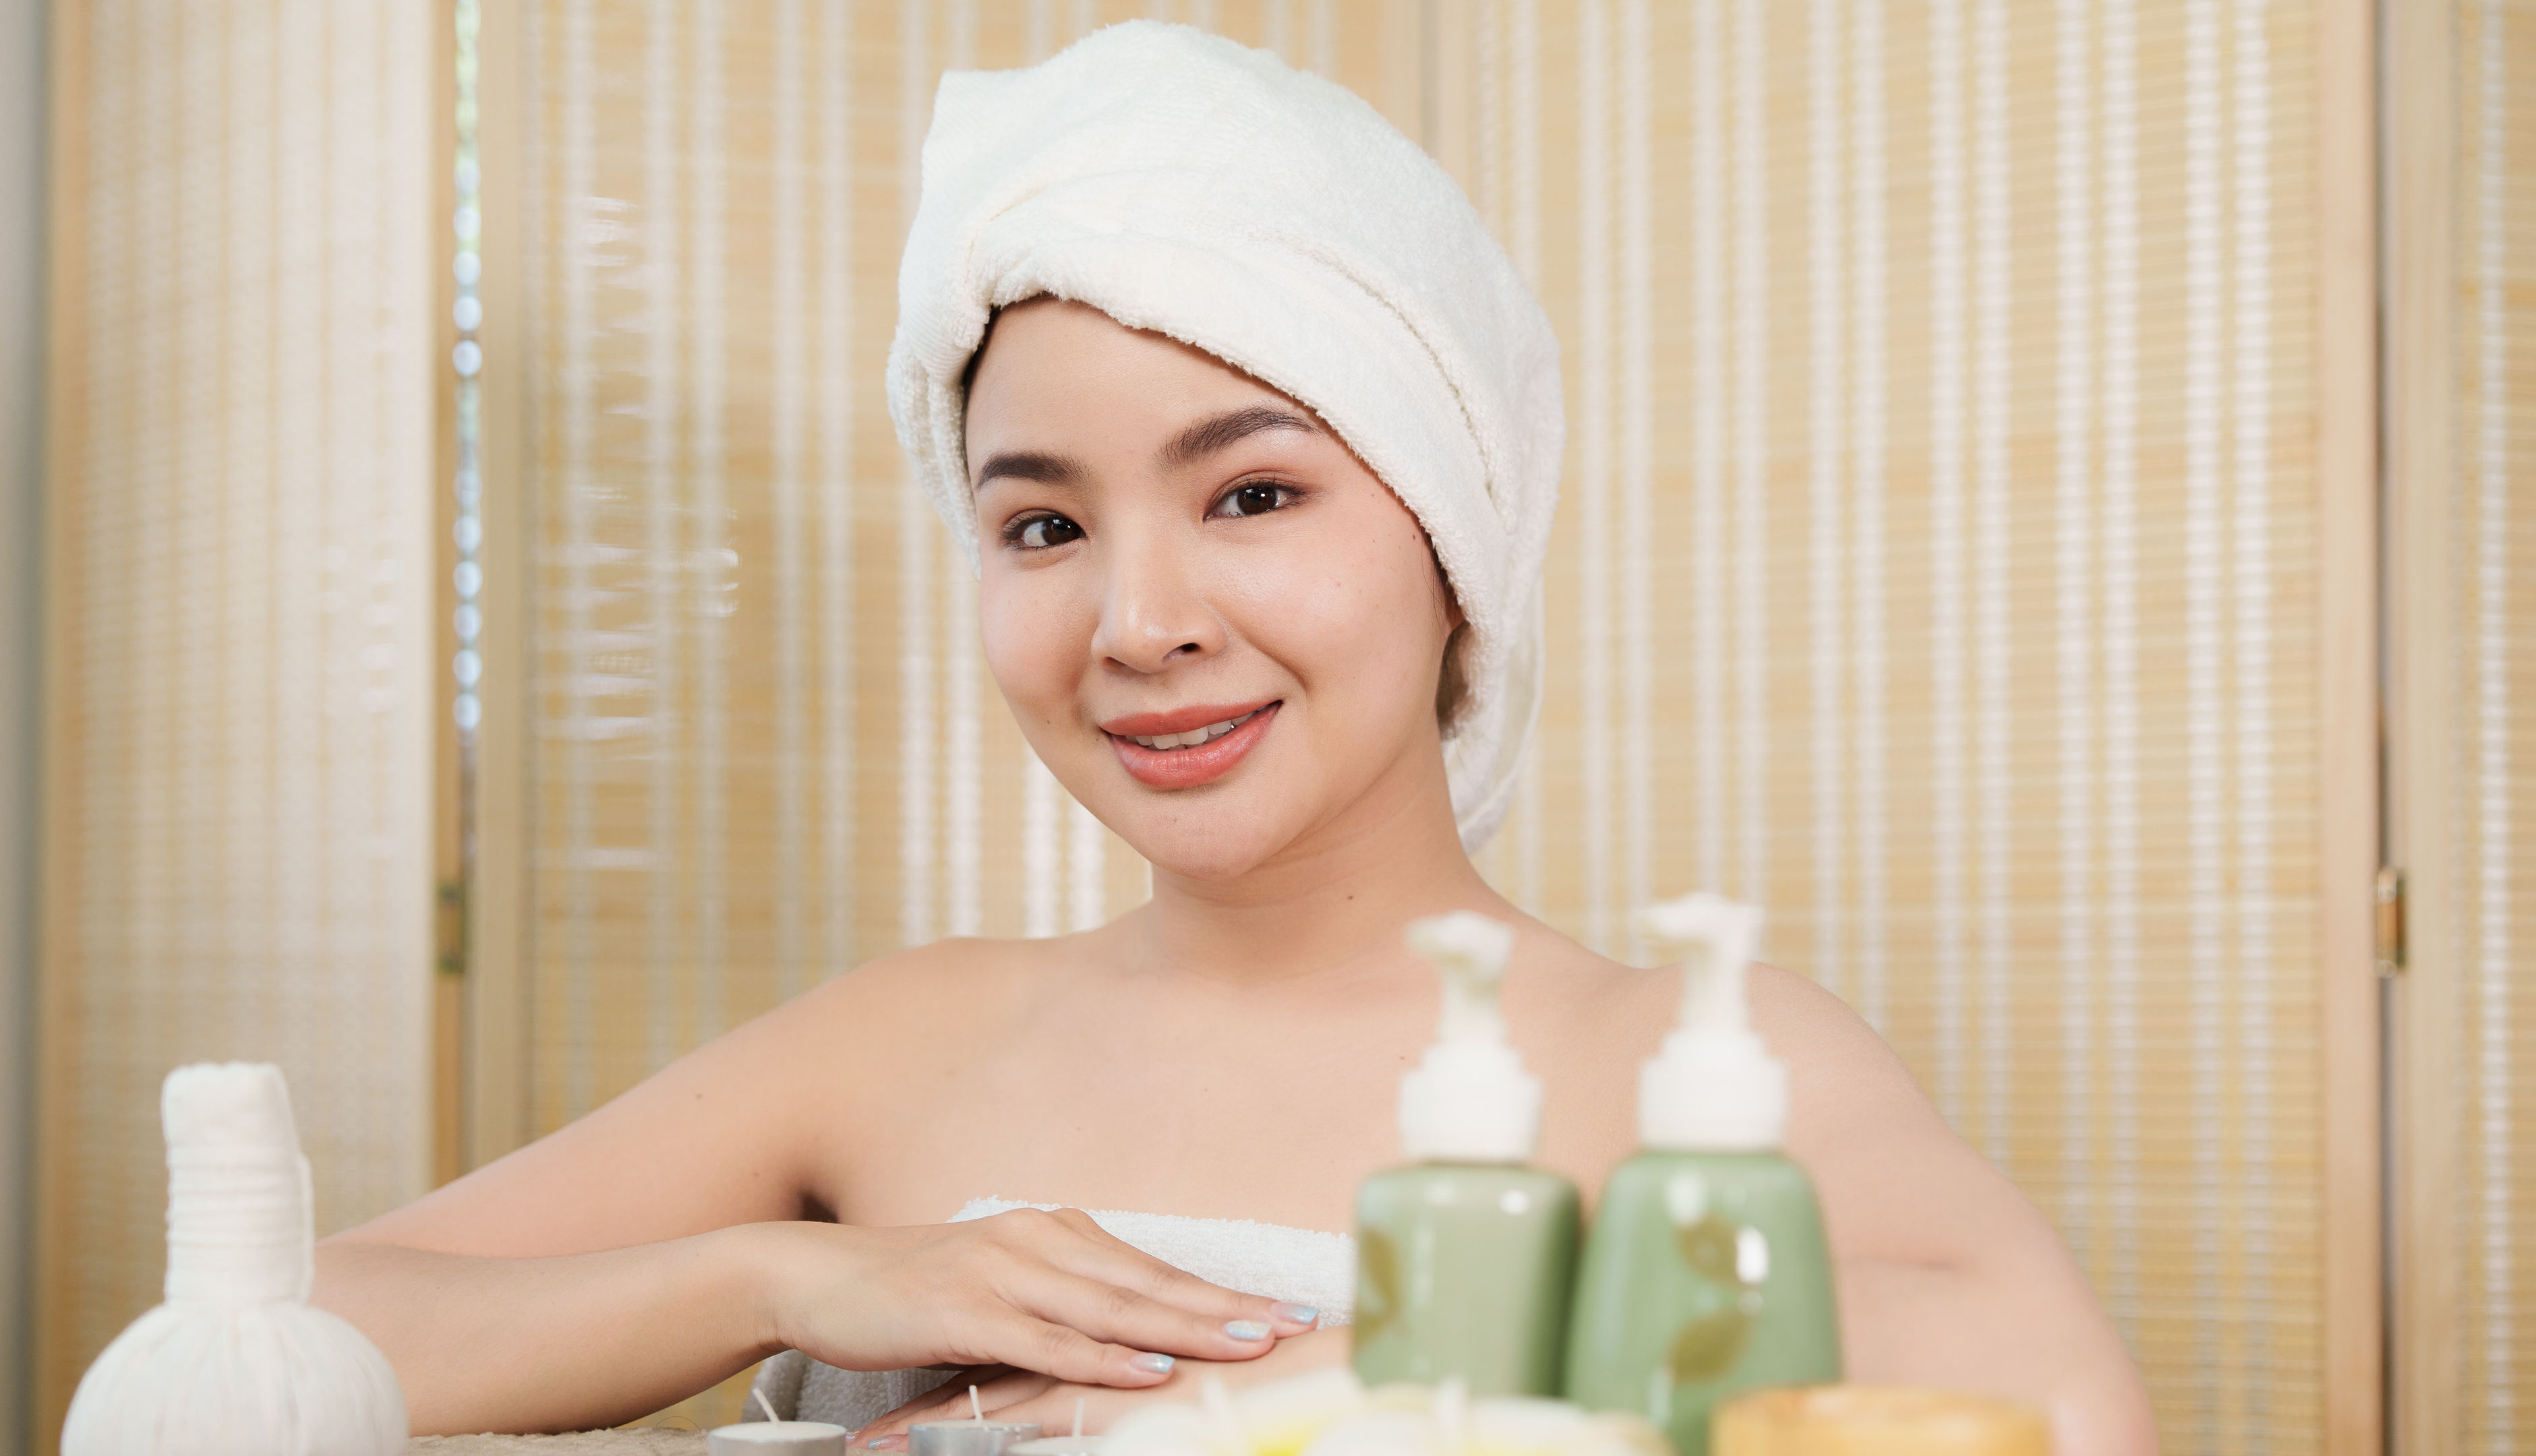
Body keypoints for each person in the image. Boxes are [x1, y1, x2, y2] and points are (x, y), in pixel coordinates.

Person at [312, 22, 2156, 1455]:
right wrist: (790, 1272)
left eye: (1254, 493)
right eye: (1041, 525)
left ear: (1453, 543)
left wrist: (1342, 1382)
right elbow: (292, 1333)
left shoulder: (1665, 1072)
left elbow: (2055, 1394)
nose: (1140, 621)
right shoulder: (899, 1048)